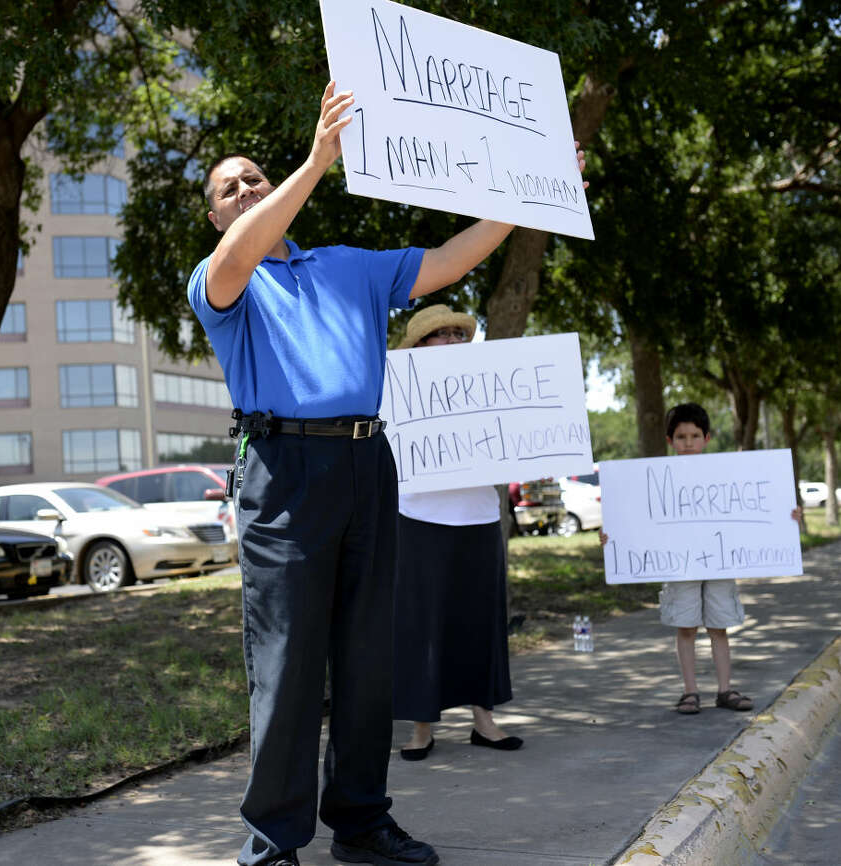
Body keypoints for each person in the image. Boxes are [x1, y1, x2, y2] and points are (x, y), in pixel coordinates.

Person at [187, 81, 585, 866]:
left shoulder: (350, 267)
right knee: (289, 663)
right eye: (227, 189)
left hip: (370, 463)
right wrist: (314, 162)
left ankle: (362, 825)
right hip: (284, 472)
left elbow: (448, 259)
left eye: (252, 180)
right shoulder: (219, 278)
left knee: (369, 659)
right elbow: (239, 254)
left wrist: (533, 196)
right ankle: (273, 839)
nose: (243, 191)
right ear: (215, 215)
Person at [600, 402, 801, 715]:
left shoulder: (726, 475)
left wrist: (786, 517)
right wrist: (612, 536)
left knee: (719, 626)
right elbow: (635, 518)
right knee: (686, 626)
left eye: (694, 435)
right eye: (681, 437)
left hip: (720, 562)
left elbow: (758, 505)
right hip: (680, 564)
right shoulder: (654, 478)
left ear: (707, 438)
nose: (688, 442)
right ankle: (690, 691)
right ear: (670, 441)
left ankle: (724, 689)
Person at [391, 304, 522, 761]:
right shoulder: (396, 390)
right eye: (440, 334)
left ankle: (483, 719)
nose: (452, 340)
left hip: (479, 517)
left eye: (457, 333)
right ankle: (421, 726)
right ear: (418, 346)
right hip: (419, 518)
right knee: (422, 622)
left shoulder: (487, 386)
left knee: (480, 620)